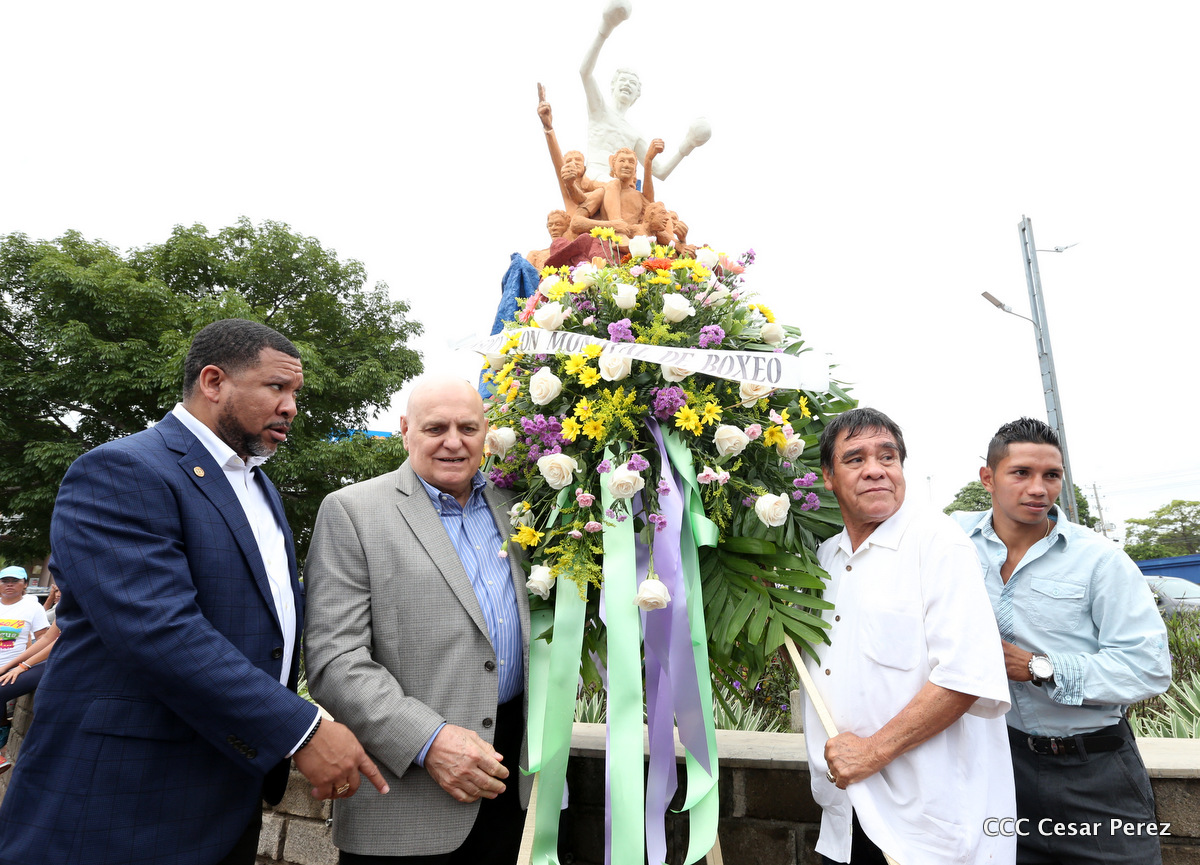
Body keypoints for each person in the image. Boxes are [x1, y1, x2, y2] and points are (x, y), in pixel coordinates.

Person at [0, 318, 387, 865]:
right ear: (213, 382)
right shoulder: (121, 469)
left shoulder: (260, 486)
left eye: (295, 392)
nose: (291, 407)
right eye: (277, 387)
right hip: (121, 801)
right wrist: (302, 730)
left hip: (229, 792)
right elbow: (160, 631)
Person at [305, 375, 531, 864]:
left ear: (486, 432)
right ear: (406, 430)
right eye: (435, 428)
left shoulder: (520, 506)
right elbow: (335, 661)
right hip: (407, 796)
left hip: (512, 789)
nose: (454, 442)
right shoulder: (352, 511)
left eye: (468, 428)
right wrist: (430, 741)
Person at [952, 418, 1170, 864]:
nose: (1039, 489)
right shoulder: (951, 542)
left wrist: (1039, 667)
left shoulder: (1101, 560)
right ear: (988, 478)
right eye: (1021, 473)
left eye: (1051, 475)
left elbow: (1148, 667)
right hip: (1000, 767)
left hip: (1095, 770)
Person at [806, 407, 1015, 865]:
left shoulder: (938, 544)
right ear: (828, 477)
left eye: (888, 457)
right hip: (846, 816)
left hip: (926, 826)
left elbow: (965, 677)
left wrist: (871, 753)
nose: (875, 470)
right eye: (855, 459)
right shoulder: (824, 559)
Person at [579, 0, 710, 182]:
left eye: (633, 83)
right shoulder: (599, 110)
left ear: (636, 95)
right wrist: (606, 28)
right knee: (617, 189)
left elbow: (660, 171)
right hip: (593, 177)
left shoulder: (634, 135)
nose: (627, 84)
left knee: (627, 192)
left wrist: (689, 143)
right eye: (623, 80)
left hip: (618, 184)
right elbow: (585, 72)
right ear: (613, 86)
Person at [0, 565, 49, 775]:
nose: (9, 584)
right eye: (5, 580)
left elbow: (45, 640)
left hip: (18, 666)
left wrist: (22, 666)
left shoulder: (32, 607)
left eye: (15, 580)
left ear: (25, 584)